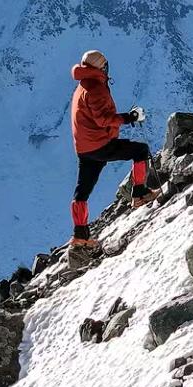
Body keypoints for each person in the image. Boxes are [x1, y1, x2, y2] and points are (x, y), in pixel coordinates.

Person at [69, 49, 159, 249]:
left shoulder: (82, 85)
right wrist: (130, 118)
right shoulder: (96, 88)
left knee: (82, 191)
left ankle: (80, 235)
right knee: (140, 151)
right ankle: (140, 194)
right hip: (101, 144)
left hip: (84, 147)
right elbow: (104, 120)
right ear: (100, 67)